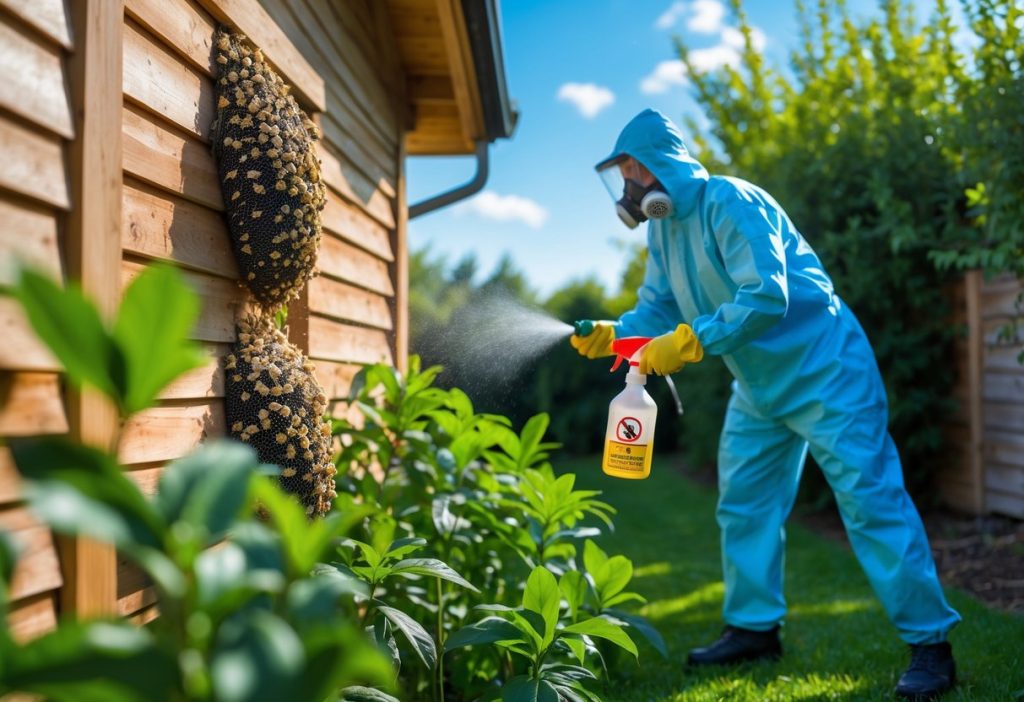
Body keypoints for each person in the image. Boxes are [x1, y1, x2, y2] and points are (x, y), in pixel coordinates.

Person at [571, 109, 961, 700]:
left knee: (870, 500)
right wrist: (614, 333)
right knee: (745, 504)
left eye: (634, 169)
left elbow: (766, 297)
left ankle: (931, 645)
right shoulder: (662, 231)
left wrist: (691, 342)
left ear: (663, 165)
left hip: (826, 370)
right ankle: (753, 630)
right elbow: (656, 309)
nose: (628, 184)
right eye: (621, 172)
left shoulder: (731, 200)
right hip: (757, 387)